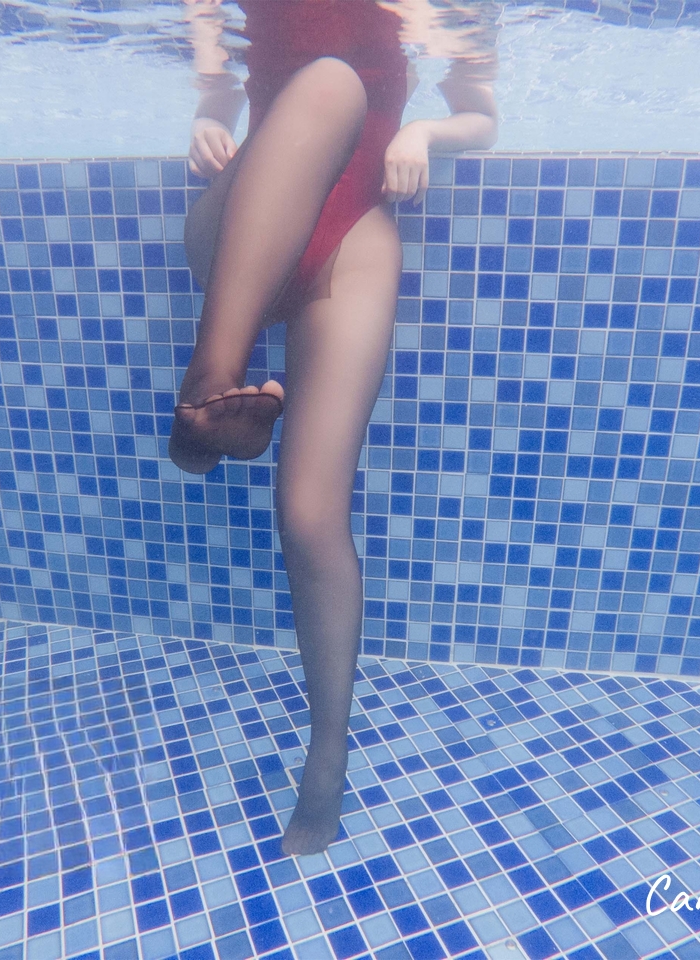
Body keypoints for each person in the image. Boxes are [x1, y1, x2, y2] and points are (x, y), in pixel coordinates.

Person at [172, 0, 498, 856]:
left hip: (352, 232)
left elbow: (481, 116)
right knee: (328, 84)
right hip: (249, 221)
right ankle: (212, 377)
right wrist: (207, 124)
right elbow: (216, 85)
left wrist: (427, 133)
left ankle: (327, 755)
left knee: (312, 515)